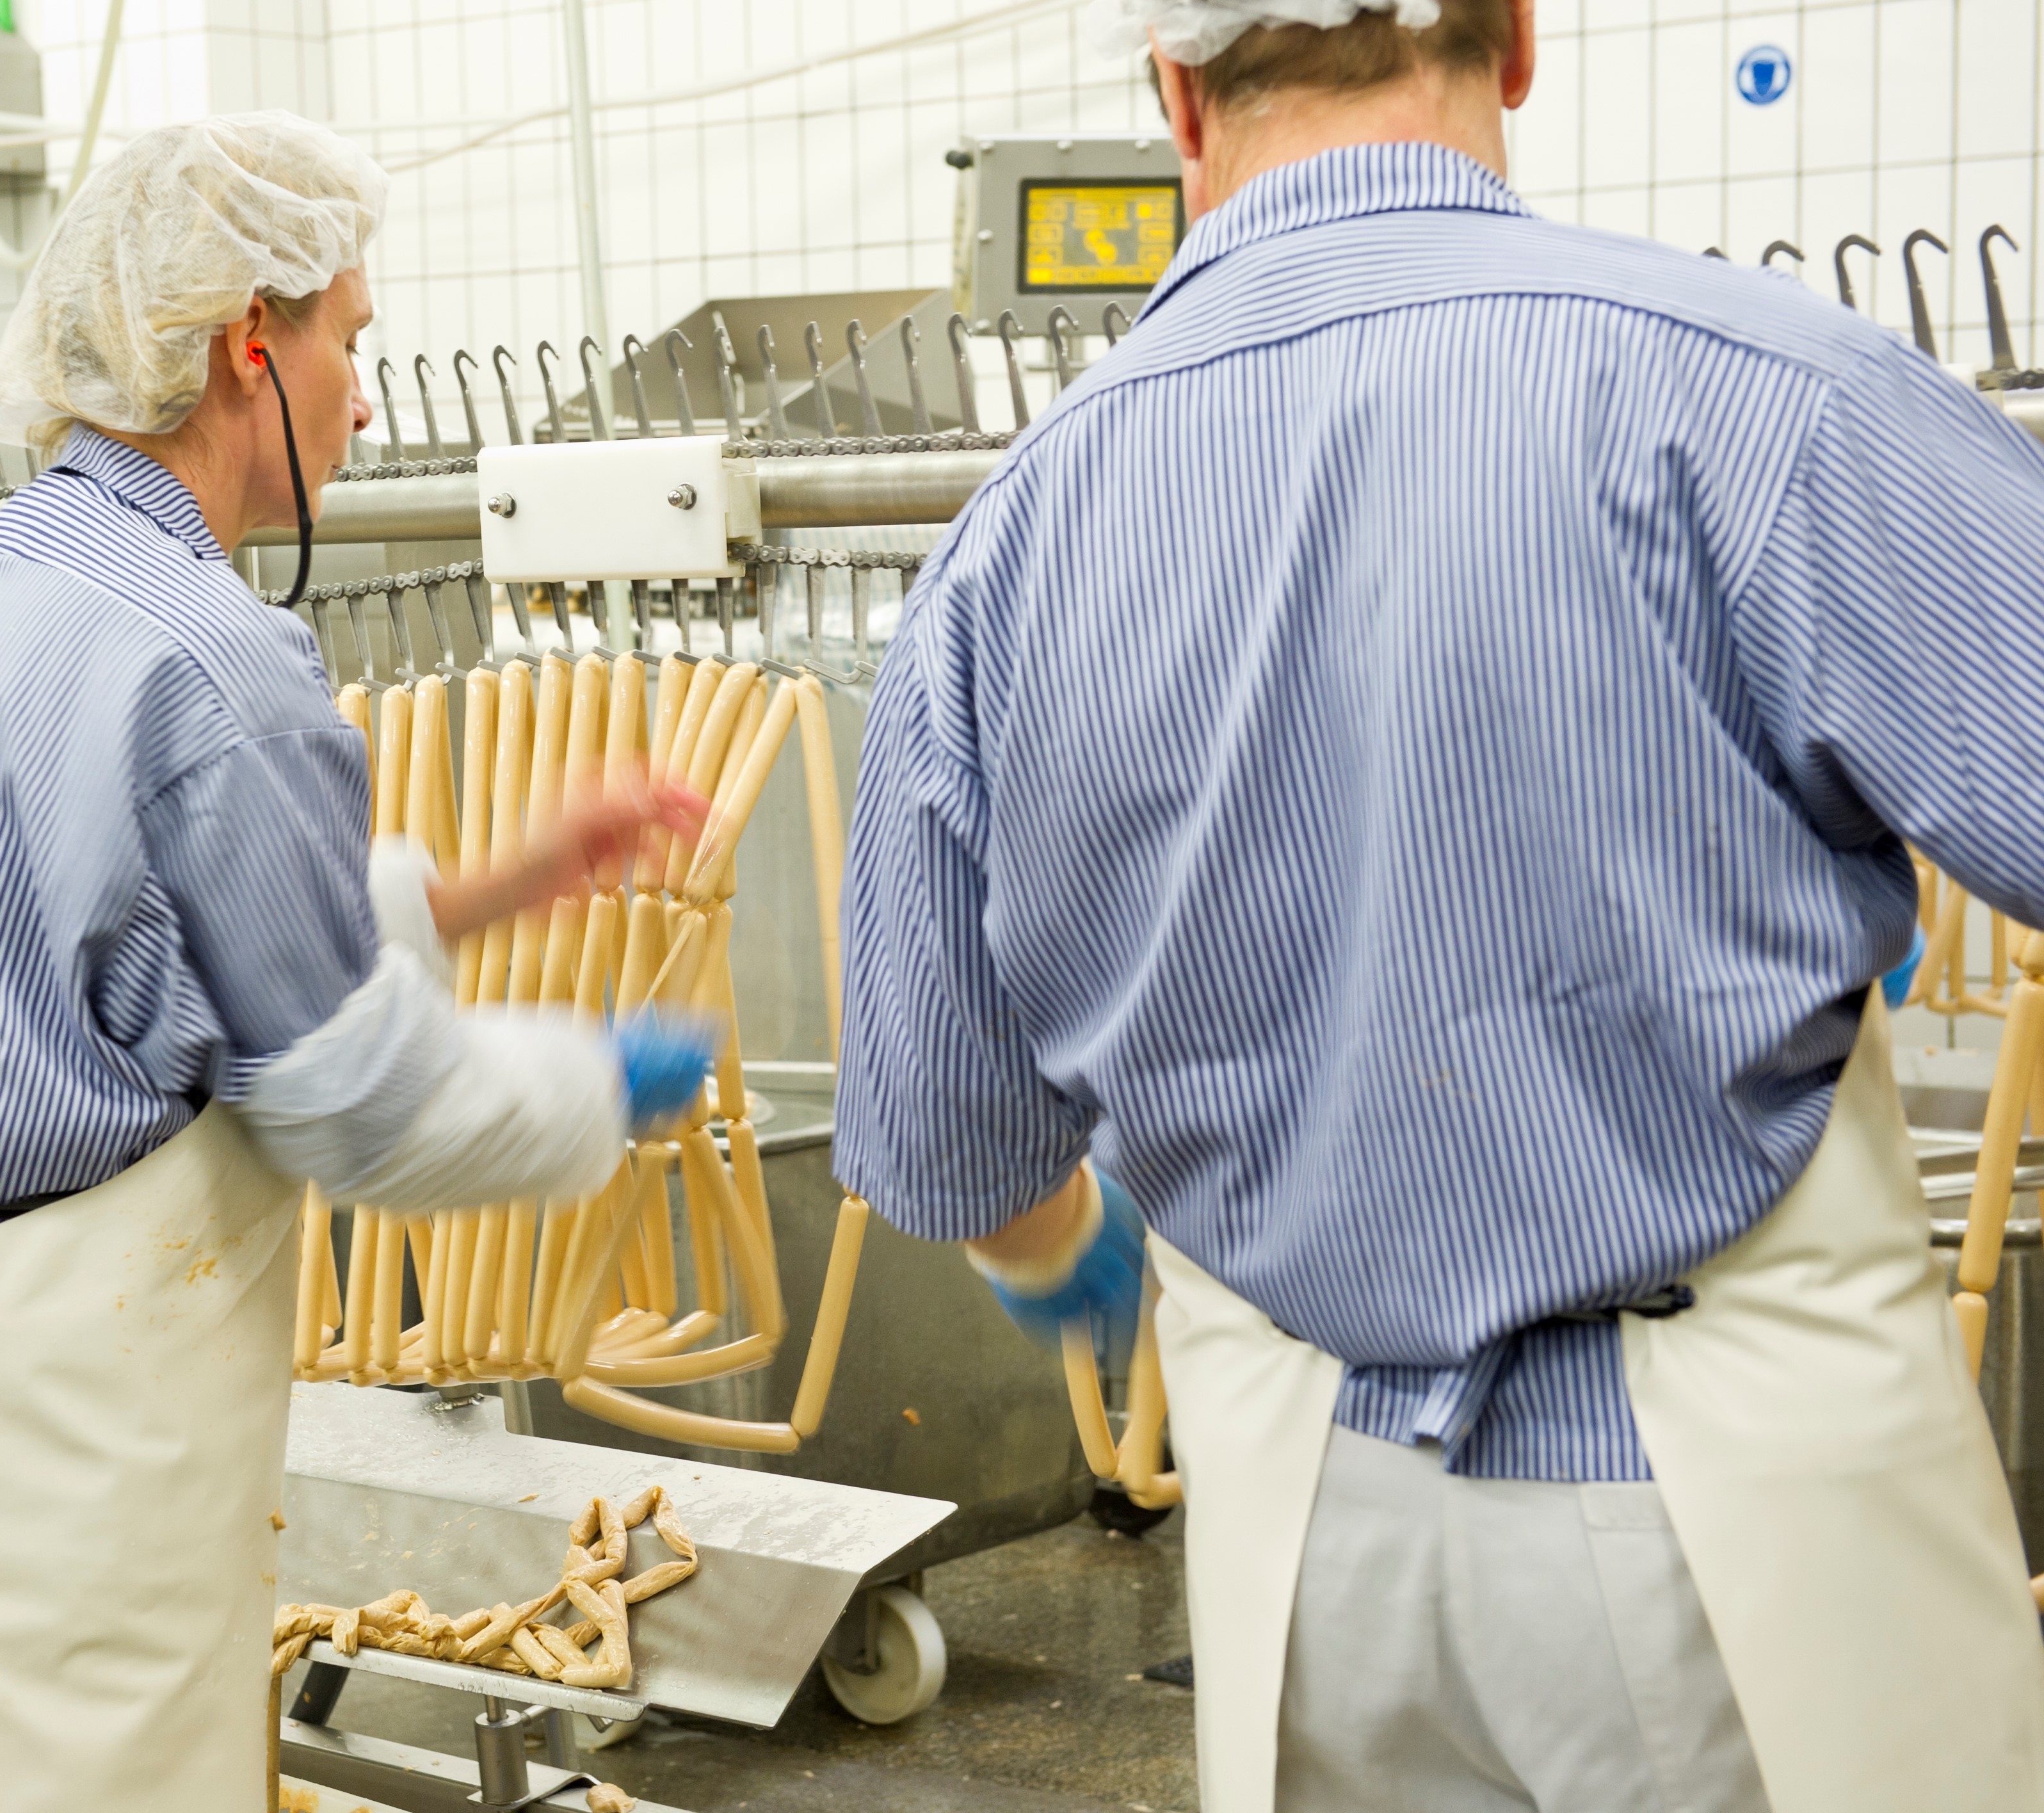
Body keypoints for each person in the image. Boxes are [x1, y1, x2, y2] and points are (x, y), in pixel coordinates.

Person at [833, 1, 2044, 1808]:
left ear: (1176, 97)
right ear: (1521, 40)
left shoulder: (1007, 542)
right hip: (1748, 1515)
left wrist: (1083, 1260)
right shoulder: (1765, 396)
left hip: (1307, 1536)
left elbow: (955, 1149)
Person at [0, 113, 709, 1811]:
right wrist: (596, 1083)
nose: (370, 393)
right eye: (352, 341)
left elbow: (127, 957)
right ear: (245, 348)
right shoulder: (215, 659)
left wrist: (494, 884)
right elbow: (360, 1112)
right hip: (43, 1453)